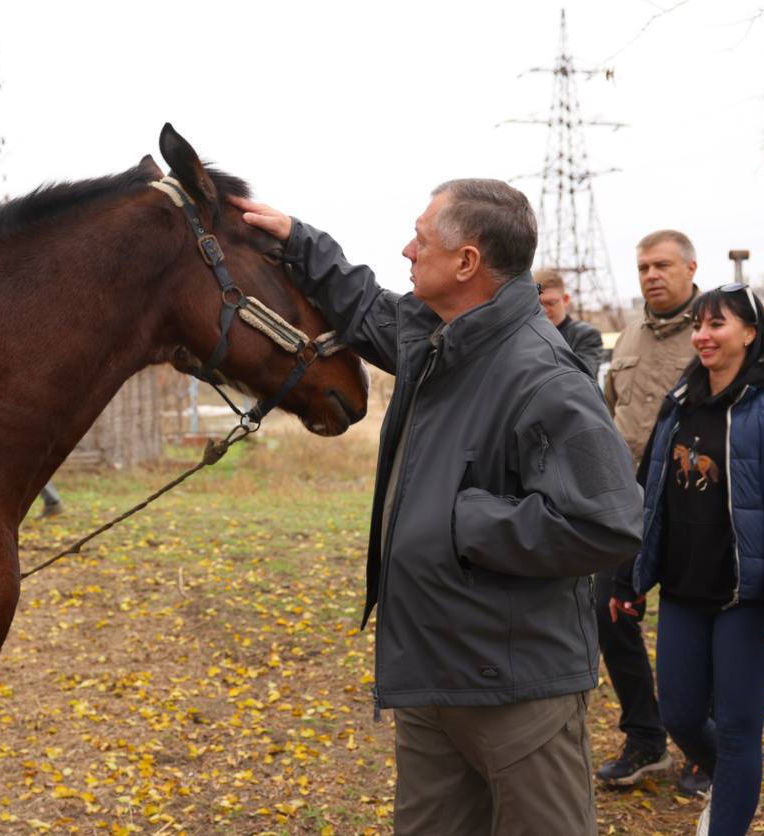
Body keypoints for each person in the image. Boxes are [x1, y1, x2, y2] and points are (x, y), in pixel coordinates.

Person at [233, 180, 643, 835]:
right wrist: (296, 239)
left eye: (421, 240)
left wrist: (466, 524)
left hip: (517, 691)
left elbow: (607, 521)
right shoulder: (433, 338)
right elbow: (362, 303)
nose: (406, 249)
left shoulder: (543, 376)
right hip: (431, 678)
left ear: (466, 262)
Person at [610, 285, 764, 835]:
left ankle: (725, 819)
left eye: (717, 324)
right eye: (699, 325)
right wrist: (626, 575)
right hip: (683, 590)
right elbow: (647, 495)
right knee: (678, 715)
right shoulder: (679, 405)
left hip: (747, 597)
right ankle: (733, 784)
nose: (702, 335)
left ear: (750, 333)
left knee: (740, 729)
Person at [597, 230, 711, 795]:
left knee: (697, 625)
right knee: (609, 612)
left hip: (694, 508)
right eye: (643, 266)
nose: (651, 275)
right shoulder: (628, 337)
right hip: (624, 506)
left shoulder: (714, 332)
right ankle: (646, 739)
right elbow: (612, 411)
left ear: (691, 266)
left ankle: (704, 749)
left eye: (662, 265)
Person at [534, 268, 604, 376]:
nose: (544, 309)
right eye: (539, 303)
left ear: (565, 299)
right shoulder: (526, 335)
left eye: (551, 303)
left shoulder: (586, 335)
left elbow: (580, 379)